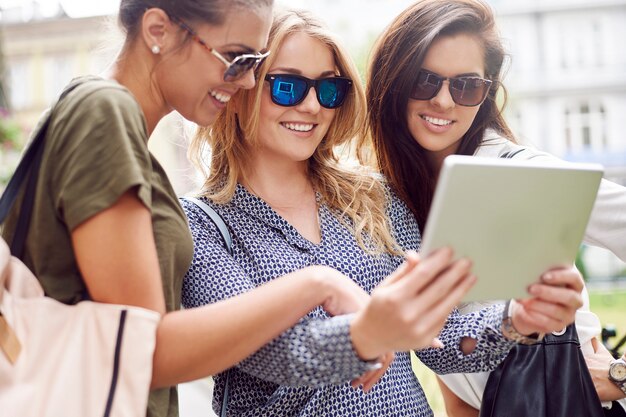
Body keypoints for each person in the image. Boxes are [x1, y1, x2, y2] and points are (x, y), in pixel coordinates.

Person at [0, 1, 456, 417]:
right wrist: (318, 283)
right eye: (237, 58)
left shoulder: (116, 128)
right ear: (158, 29)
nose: (245, 82)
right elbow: (145, 350)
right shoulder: (105, 110)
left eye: (255, 65)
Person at [182, 8, 584, 416]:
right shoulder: (202, 226)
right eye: (287, 86)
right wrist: (370, 331)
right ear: (241, 89)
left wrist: (517, 318)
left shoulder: (375, 197)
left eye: (329, 90)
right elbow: (270, 352)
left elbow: (441, 339)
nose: (311, 106)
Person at [363, 0, 626, 415]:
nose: (444, 102)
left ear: (486, 92)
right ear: (392, 81)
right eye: (424, 81)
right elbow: (446, 356)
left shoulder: (524, 174)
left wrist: (620, 375)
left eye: (466, 85)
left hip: (565, 400)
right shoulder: (388, 194)